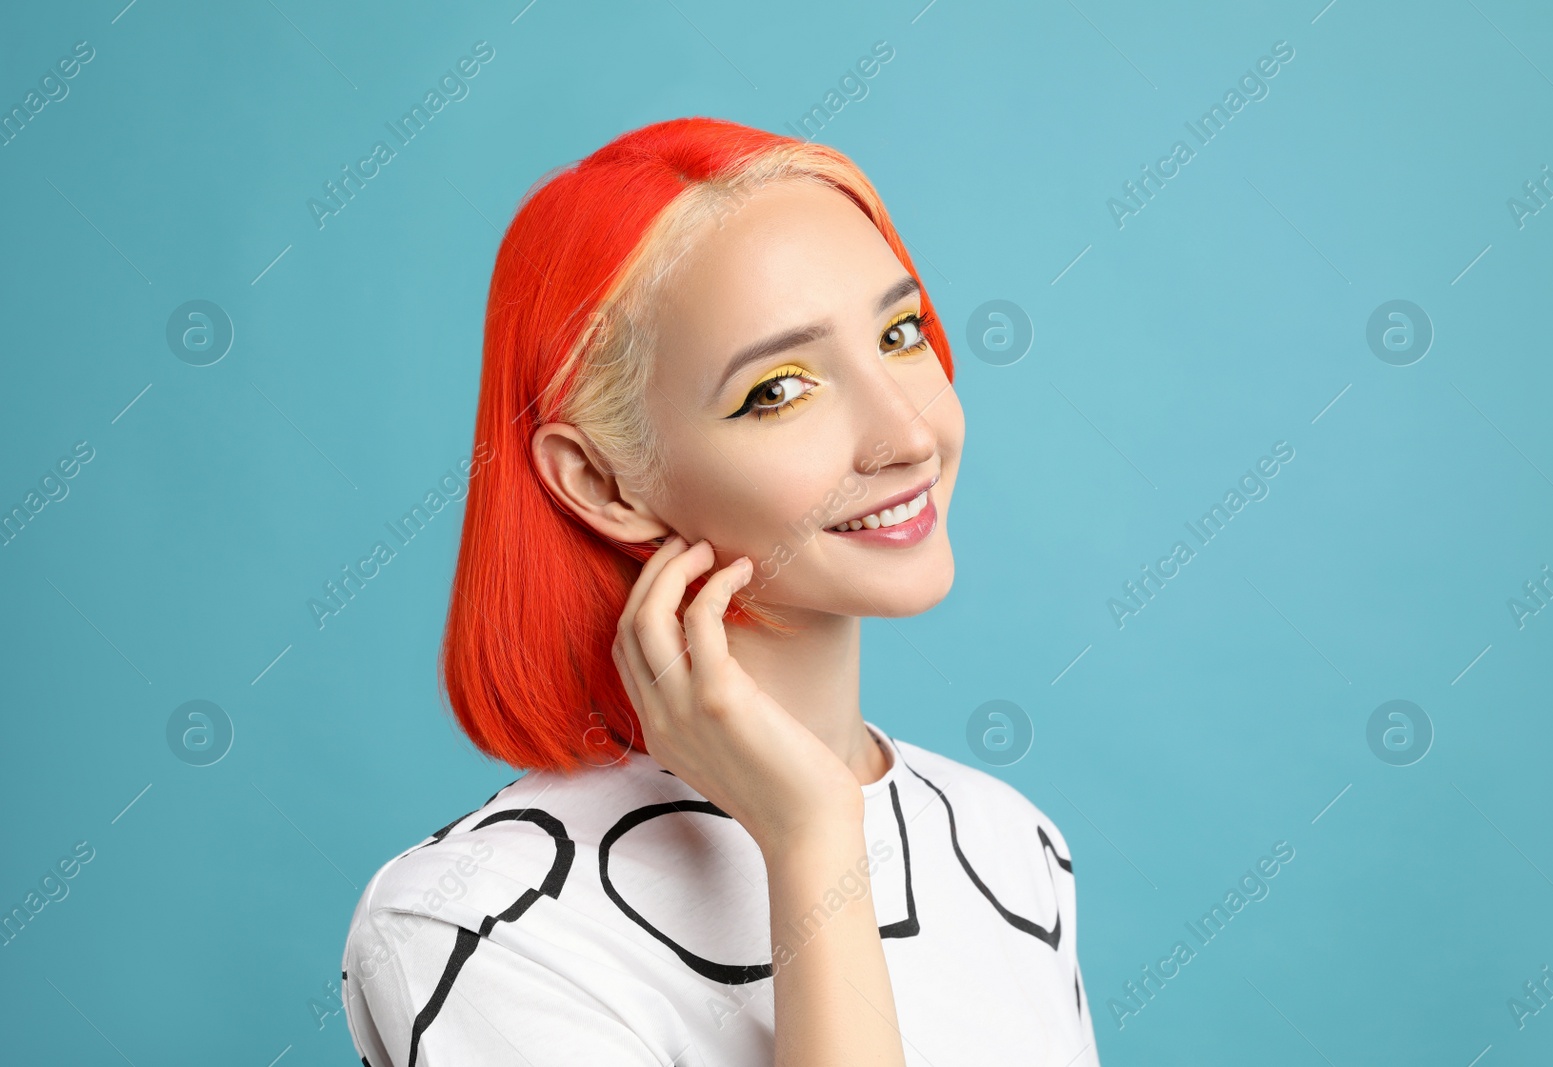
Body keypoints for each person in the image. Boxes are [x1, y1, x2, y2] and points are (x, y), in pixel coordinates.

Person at [340, 116, 1100, 1067]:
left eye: (900, 333)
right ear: (602, 482)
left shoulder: (1011, 846)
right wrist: (812, 838)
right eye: (779, 389)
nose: (909, 434)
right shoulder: (480, 923)